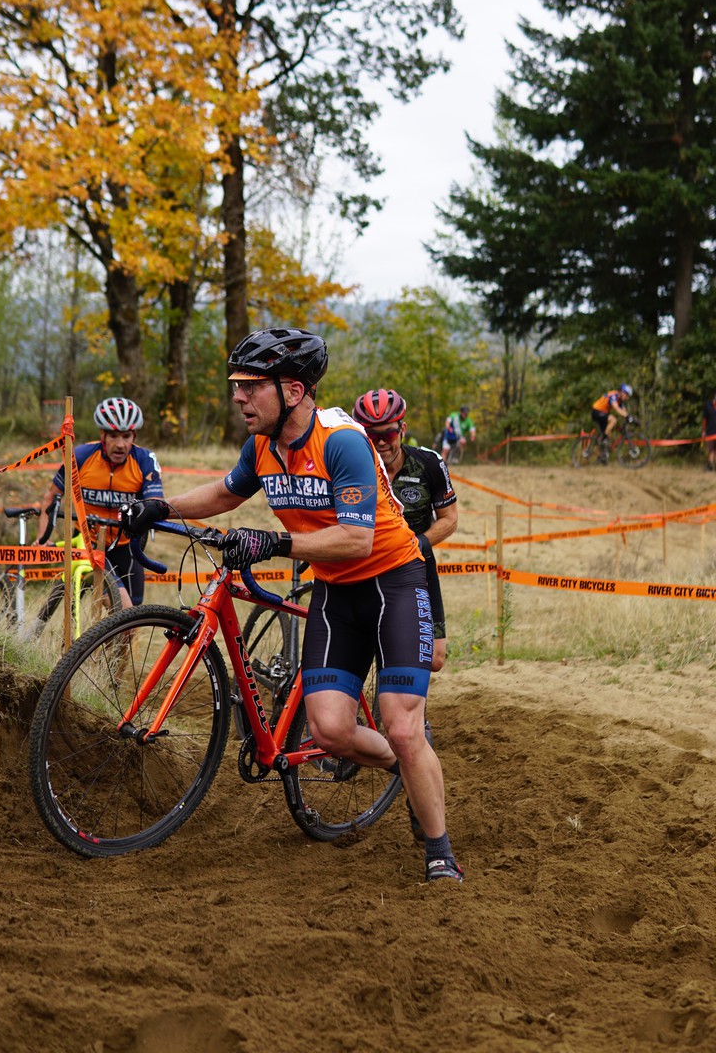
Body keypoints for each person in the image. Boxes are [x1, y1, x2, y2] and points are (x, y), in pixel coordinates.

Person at [122, 327, 463, 884]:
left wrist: (274, 542)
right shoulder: (261, 445)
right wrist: (159, 508)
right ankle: (411, 767)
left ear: (294, 391)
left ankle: (438, 849)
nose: (238, 397)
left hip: (395, 583)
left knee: (403, 727)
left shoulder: (342, 442)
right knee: (329, 732)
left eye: (250, 387)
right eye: (236, 385)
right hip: (335, 591)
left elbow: (356, 538)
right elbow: (227, 495)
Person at [352, 388, 457, 673]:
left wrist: (417, 544)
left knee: (435, 659)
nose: (381, 442)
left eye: (388, 433)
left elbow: (449, 519)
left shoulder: (429, 464)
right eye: (372, 436)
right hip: (366, 566)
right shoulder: (351, 467)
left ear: (403, 429)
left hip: (416, 564)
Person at [35, 396, 164, 607]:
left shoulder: (144, 460)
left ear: (135, 435)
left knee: (132, 624)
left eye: (126, 436)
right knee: (121, 608)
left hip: (128, 546)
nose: (120, 444)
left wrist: (150, 513)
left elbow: (156, 503)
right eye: (113, 436)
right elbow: (51, 496)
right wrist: (42, 539)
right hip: (90, 542)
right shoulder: (82, 456)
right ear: (102, 435)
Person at [591, 384, 633, 464]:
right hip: (596, 411)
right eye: (627, 395)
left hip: (602, 413)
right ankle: (603, 438)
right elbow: (616, 408)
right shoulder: (614, 395)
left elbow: (624, 412)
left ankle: (602, 457)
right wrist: (627, 416)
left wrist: (631, 418)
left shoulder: (621, 400)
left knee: (609, 436)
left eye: (628, 397)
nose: (627, 398)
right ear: (622, 392)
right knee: (613, 420)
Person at [702, 389, 716, 472]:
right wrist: (703, 431)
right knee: (711, 450)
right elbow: (704, 419)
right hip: (710, 432)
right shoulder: (708, 406)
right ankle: (710, 466)